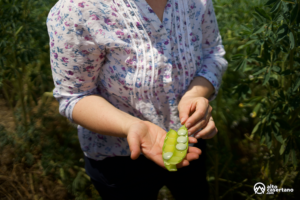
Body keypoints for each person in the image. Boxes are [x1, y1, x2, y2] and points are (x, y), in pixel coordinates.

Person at [46, 0, 228, 199]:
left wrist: (195, 94)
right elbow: (75, 96)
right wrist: (130, 126)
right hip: (118, 157)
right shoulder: (77, 9)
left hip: (189, 139)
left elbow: (213, 53)